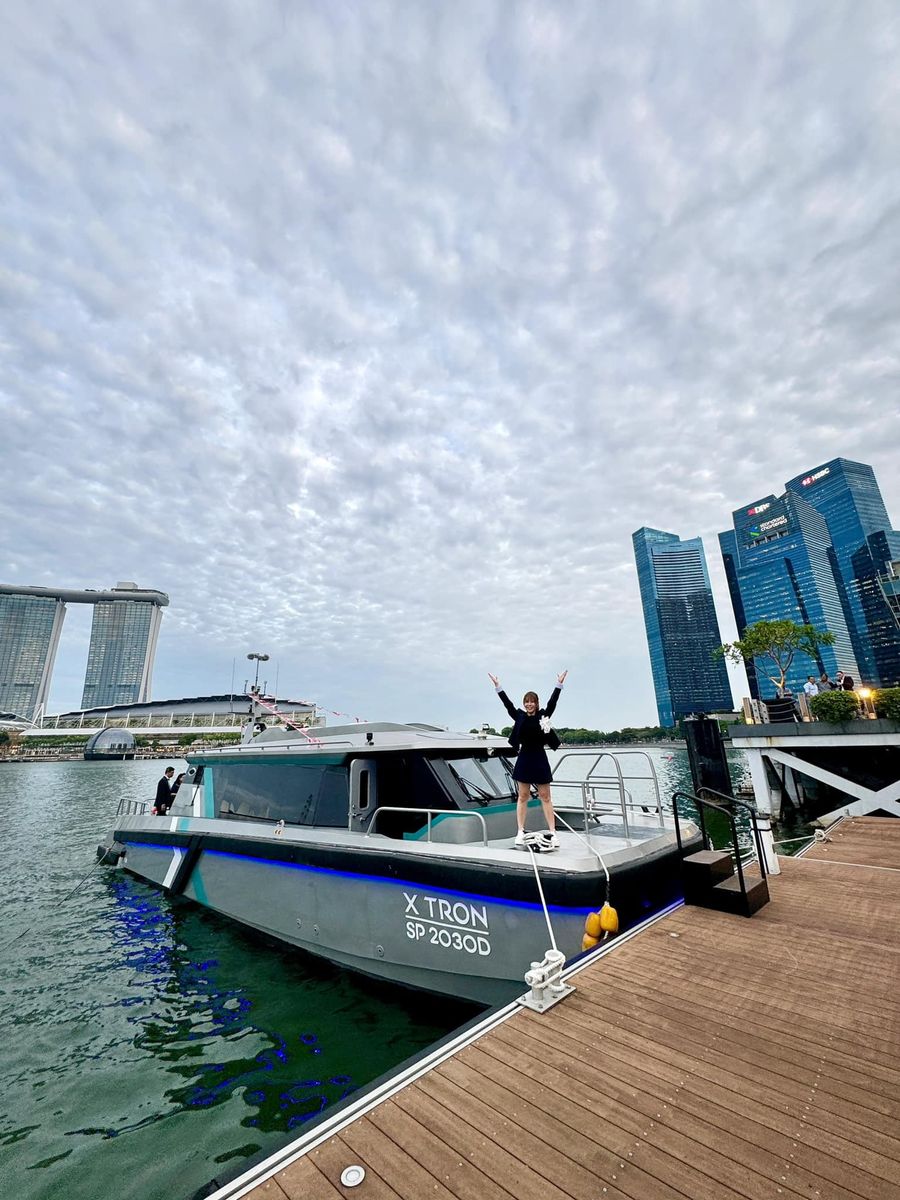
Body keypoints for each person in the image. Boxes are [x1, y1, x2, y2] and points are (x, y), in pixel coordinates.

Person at [488, 670, 567, 850]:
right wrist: (498, 687)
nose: (529, 704)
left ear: (536, 703)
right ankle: (520, 831)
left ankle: (553, 832)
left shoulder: (543, 716)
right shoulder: (519, 716)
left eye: (532, 701)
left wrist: (559, 684)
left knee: (545, 796)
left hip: (539, 757)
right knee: (523, 796)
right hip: (524, 758)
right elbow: (507, 705)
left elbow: (553, 702)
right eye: (527, 701)